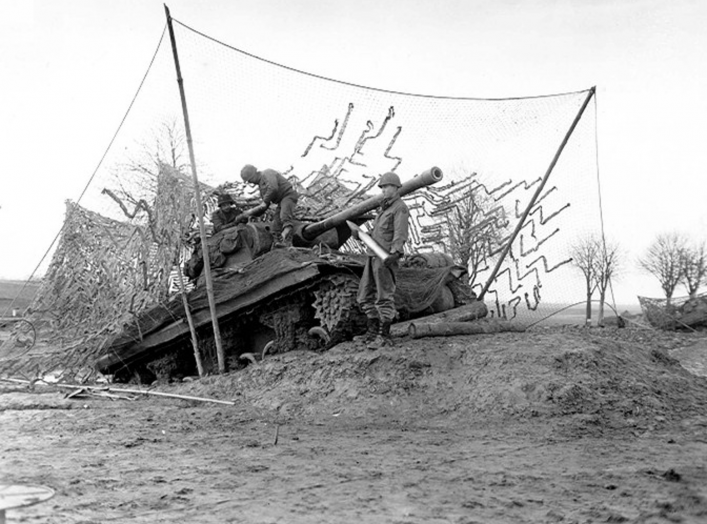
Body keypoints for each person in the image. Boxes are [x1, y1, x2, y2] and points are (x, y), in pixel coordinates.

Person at [354, 171, 409, 349]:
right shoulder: (384, 209)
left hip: (385, 258)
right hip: (372, 255)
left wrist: (394, 253)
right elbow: (379, 234)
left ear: (396, 188)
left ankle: (383, 335)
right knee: (364, 296)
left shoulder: (399, 208)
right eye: (382, 187)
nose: (384, 190)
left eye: (387, 187)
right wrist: (363, 235)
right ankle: (372, 333)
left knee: (384, 297)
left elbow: (400, 233)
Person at [240, 164, 299, 247]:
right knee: (275, 227)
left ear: (254, 175)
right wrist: (252, 213)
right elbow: (265, 206)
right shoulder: (261, 186)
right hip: (280, 202)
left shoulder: (267, 173)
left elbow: (273, 188)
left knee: (285, 218)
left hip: (288, 195)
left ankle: (287, 241)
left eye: (250, 180)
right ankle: (279, 244)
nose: (250, 182)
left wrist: (265, 201)